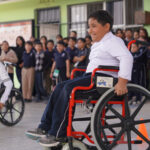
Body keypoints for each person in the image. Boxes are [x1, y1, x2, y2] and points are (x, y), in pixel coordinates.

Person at [26, 10, 133, 148]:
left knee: (68, 89)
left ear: (106, 27)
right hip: (93, 77)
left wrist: (122, 82)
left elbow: (127, 57)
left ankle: (58, 133)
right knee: (59, 87)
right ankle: (45, 126)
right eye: (89, 26)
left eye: (94, 26)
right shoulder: (98, 43)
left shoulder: (113, 41)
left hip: (104, 80)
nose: (90, 30)